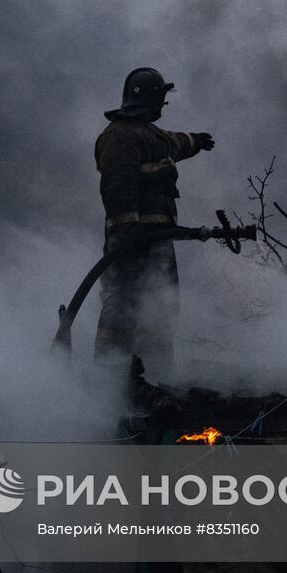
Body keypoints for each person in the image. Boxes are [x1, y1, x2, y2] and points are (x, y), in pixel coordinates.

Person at [94, 67, 214, 384]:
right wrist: (127, 230)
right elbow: (118, 188)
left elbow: (174, 144)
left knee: (160, 312)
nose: (163, 106)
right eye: (161, 99)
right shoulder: (120, 136)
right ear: (149, 98)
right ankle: (109, 381)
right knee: (123, 309)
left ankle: (158, 381)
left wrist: (197, 141)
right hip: (132, 243)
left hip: (157, 244)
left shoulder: (151, 136)